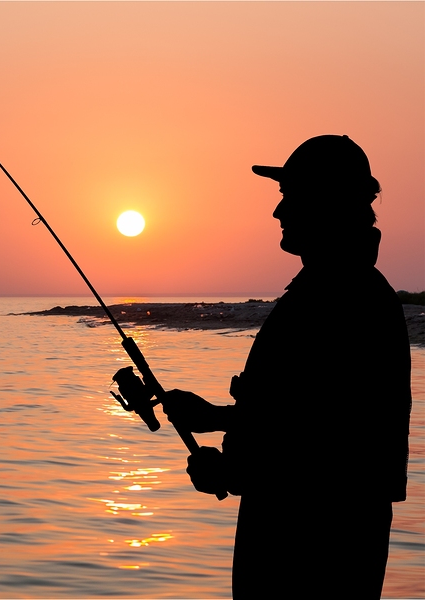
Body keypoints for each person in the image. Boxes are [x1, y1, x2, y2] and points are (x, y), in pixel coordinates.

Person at [126, 135, 411, 598]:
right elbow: (304, 411)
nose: (278, 213)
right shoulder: (329, 290)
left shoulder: (345, 297)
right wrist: (216, 418)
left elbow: (331, 440)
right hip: (301, 530)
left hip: (312, 548)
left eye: (289, 197)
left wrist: (236, 473)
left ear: (326, 202)